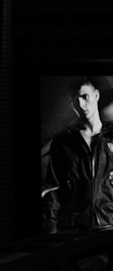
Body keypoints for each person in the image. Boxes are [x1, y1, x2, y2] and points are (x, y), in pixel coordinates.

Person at [48, 78, 113, 231]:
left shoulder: (110, 137)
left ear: (96, 95)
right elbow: (53, 188)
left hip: (108, 225)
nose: (81, 104)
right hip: (75, 228)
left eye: (85, 97)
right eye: (74, 99)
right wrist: (52, 231)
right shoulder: (63, 141)